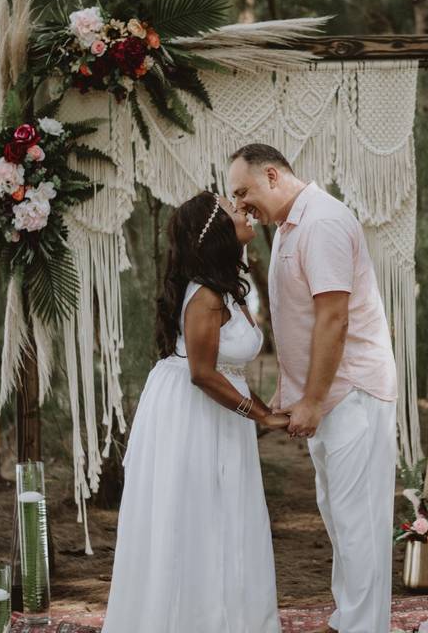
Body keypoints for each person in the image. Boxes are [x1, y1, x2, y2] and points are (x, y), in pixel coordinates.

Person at [229, 144, 398, 633]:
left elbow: (333, 317)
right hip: (331, 398)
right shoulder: (288, 227)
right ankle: (351, 617)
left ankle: (364, 626)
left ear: (274, 175)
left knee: (358, 520)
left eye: (245, 191)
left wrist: (313, 400)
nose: (241, 205)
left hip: (353, 394)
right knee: (340, 515)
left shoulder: (321, 222)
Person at [101, 191, 287, 633]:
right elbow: (203, 373)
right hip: (193, 411)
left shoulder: (225, 286)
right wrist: (261, 415)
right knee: (196, 520)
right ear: (216, 231)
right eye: (232, 209)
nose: (242, 211)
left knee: (225, 516)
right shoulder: (204, 295)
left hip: (218, 410)